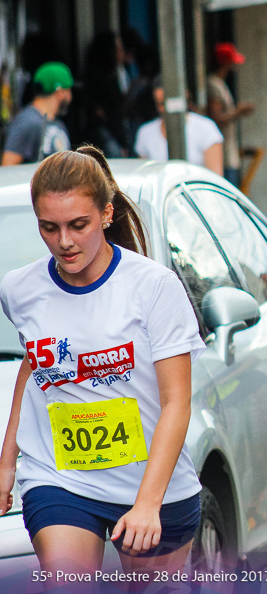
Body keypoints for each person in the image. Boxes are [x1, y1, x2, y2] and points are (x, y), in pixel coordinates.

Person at [0, 147, 205, 581]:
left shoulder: (154, 288)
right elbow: (35, 366)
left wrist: (148, 504)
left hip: (153, 484)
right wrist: (6, 463)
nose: (64, 241)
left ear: (107, 213)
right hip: (62, 479)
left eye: (78, 225)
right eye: (49, 227)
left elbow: (176, 403)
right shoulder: (19, 289)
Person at [134, 76, 224, 176]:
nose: (163, 109)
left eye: (166, 103)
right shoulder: (145, 132)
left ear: (184, 95)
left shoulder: (206, 128)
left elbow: (215, 177)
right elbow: (143, 175)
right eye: (159, 104)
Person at [1, 62, 73, 166]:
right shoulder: (27, 122)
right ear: (60, 92)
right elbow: (8, 169)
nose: (71, 96)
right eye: (69, 90)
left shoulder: (57, 123)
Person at [207, 42, 257, 187]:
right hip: (224, 156)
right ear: (224, 63)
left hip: (229, 153)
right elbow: (217, 119)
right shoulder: (214, 84)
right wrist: (238, 112)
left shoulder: (220, 84)